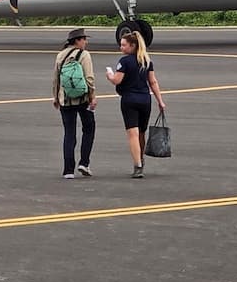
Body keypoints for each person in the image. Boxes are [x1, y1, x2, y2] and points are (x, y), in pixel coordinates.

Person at [104, 30, 166, 178]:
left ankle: (137, 165)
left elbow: (117, 80)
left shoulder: (124, 61)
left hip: (129, 100)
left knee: (133, 133)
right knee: (141, 133)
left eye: (124, 45)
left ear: (132, 46)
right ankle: (141, 159)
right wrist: (160, 101)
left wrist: (110, 75)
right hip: (145, 100)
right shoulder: (146, 61)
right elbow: (153, 82)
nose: (121, 47)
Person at [52, 28, 96, 179]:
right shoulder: (84, 55)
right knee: (89, 128)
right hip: (83, 99)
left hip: (65, 99)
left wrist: (55, 97)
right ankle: (84, 162)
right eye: (84, 39)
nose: (86, 42)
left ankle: (68, 170)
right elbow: (89, 78)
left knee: (69, 133)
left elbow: (56, 79)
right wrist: (92, 97)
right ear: (77, 41)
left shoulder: (60, 55)